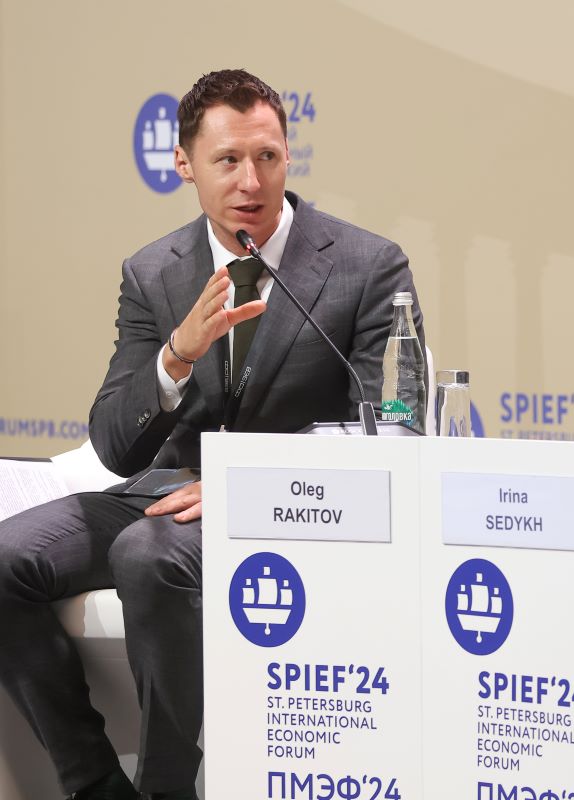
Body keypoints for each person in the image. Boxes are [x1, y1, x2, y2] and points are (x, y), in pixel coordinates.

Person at [0, 69, 423, 800]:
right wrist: (175, 357)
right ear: (185, 164)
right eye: (228, 160)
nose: (251, 181)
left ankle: (166, 788)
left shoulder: (368, 267)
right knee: (6, 558)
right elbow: (115, 445)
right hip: (165, 493)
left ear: (288, 155)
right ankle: (94, 783)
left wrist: (243, 487)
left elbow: (390, 428)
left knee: (146, 554)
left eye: (268, 157)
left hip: (296, 503)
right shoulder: (153, 271)